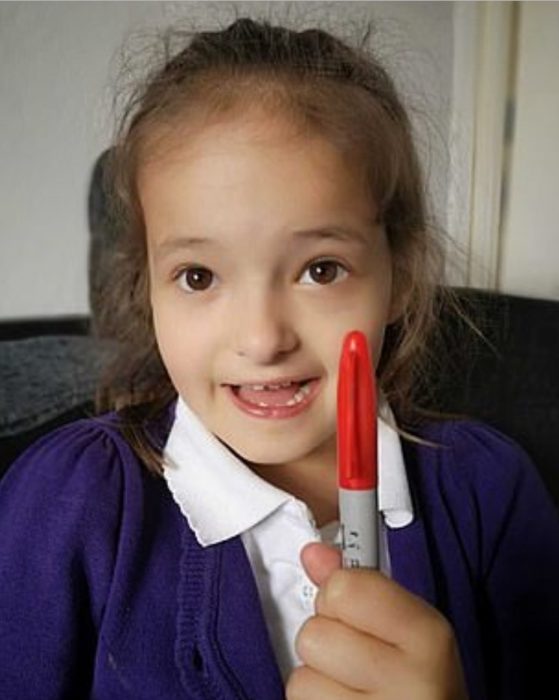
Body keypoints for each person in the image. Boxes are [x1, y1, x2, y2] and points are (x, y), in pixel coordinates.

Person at [1, 17, 558, 700]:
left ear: (401, 276)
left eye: (321, 270)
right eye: (199, 276)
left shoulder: (489, 489)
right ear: (147, 289)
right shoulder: (65, 501)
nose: (263, 340)